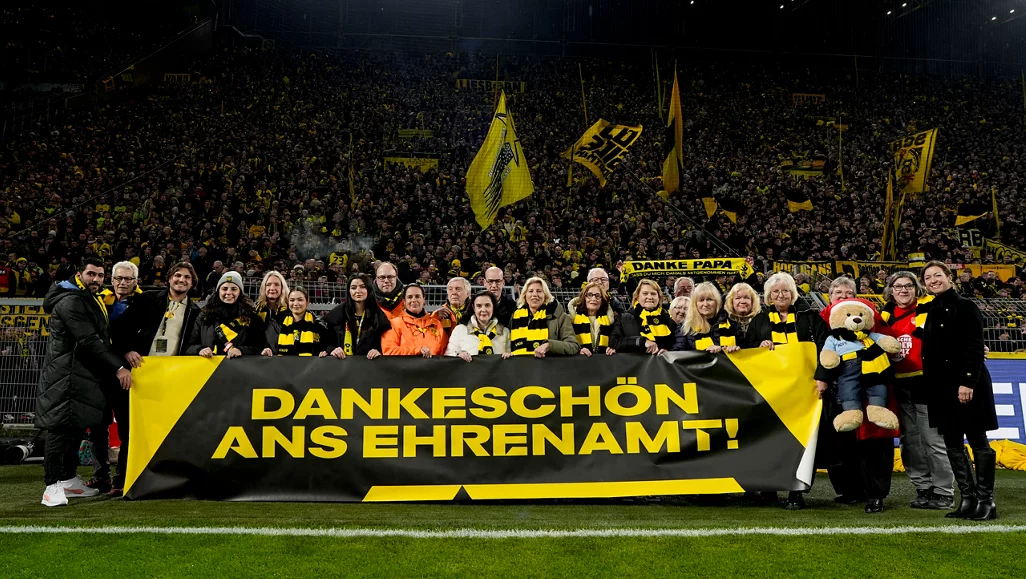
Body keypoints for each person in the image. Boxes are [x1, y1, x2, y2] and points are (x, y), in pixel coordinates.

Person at [89, 261, 200, 497]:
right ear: (169, 278)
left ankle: (149, 475)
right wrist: (127, 350)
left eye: (187, 277)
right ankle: (120, 478)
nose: (181, 280)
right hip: (137, 373)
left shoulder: (195, 310)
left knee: (159, 428)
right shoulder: (148, 299)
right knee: (129, 427)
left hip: (169, 377)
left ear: (192, 283)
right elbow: (119, 329)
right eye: (177, 275)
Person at [36, 257, 132, 507]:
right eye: (91, 274)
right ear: (79, 275)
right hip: (66, 375)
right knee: (60, 430)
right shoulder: (71, 301)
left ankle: (68, 480)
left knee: (76, 427)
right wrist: (119, 367)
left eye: (100, 275)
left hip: (80, 374)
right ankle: (51, 486)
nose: (96, 279)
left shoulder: (87, 297)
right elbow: (89, 339)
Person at [921, 261, 998, 521]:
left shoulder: (965, 306)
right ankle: (968, 499)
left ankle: (986, 501)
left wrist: (968, 382)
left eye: (938, 275)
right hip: (942, 388)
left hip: (966, 385)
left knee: (977, 440)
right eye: (928, 277)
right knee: (952, 443)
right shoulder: (933, 308)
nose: (933, 280)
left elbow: (975, 346)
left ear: (949, 277)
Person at [749, 272, 829, 510]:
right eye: (775, 292)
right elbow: (747, 349)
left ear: (793, 293)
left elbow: (825, 348)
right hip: (771, 390)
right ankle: (769, 489)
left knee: (803, 441)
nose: (781, 295)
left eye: (785, 291)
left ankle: (797, 491)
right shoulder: (759, 320)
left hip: (804, 389)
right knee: (771, 440)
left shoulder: (810, 317)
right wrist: (759, 346)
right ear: (769, 296)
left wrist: (822, 377)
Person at [879, 271, 954, 510]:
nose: (903, 290)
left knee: (933, 440)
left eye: (908, 286)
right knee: (909, 442)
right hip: (899, 385)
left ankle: (943, 491)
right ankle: (923, 487)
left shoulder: (931, 308)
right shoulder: (884, 316)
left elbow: (954, 331)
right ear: (891, 291)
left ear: (916, 288)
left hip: (927, 383)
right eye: (898, 286)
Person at [185, 271, 264, 358]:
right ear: (218, 291)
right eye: (224, 289)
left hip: (240, 366)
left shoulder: (252, 317)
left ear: (240, 292)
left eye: (234, 289)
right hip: (210, 366)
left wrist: (241, 350)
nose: (228, 292)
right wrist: (200, 350)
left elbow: (259, 347)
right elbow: (189, 346)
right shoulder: (204, 315)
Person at [505, 276, 580, 358]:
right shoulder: (515, 316)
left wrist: (549, 345)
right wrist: (508, 353)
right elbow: (509, 345)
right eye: (530, 291)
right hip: (520, 365)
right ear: (525, 295)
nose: (534, 294)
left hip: (549, 365)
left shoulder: (559, 316)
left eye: (539, 291)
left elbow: (573, 346)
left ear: (545, 295)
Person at [324, 274, 389, 360]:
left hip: (369, 364)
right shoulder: (336, 315)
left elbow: (386, 343)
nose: (358, 291)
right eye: (353, 288)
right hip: (343, 364)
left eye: (362, 287)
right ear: (349, 291)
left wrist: (378, 351)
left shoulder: (379, 316)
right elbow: (327, 342)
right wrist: (332, 349)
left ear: (369, 289)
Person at [261, 288, 340, 357]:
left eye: (300, 300)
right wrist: (267, 350)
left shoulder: (320, 326)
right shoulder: (277, 324)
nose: (296, 304)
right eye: (292, 300)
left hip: (311, 369)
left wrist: (329, 351)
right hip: (283, 368)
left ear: (307, 302)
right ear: (288, 302)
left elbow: (329, 347)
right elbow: (271, 347)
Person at [612, 279, 676, 355]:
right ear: (637, 297)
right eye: (645, 293)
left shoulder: (668, 318)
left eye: (653, 294)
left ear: (659, 297)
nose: (649, 297)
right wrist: (641, 341)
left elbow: (678, 343)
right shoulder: (624, 318)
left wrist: (669, 352)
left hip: (662, 362)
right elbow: (614, 343)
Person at [382, 284, 447, 357]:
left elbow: (445, 353)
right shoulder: (394, 324)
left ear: (424, 299)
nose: (414, 300)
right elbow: (389, 351)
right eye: (409, 297)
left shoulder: (436, 324)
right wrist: (416, 351)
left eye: (417, 296)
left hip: (433, 364)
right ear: (404, 301)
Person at [673, 282, 737, 352]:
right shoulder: (685, 327)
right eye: (701, 300)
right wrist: (706, 353)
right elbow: (678, 353)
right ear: (695, 304)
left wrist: (734, 349)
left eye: (709, 299)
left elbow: (744, 350)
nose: (705, 304)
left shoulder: (733, 325)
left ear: (717, 302)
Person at [446, 291, 510, 360]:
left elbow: (511, 358)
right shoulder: (460, 330)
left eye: (487, 305)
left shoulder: (505, 332)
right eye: (479, 306)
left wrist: (509, 357)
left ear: (493, 307)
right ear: (473, 308)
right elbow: (449, 355)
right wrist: (458, 355)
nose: (483, 310)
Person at [569, 281, 616, 356]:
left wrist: (613, 349)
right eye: (590, 295)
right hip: (579, 361)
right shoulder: (571, 320)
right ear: (584, 298)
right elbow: (568, 343)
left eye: (598, 296)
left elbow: (615, 343)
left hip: (604, 361)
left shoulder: (611, 322)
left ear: (602, 300)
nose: (594, 299)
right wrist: (577, 350)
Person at [724, 283, 761, 348]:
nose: (743, 301)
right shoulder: (724, 321)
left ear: (752, 301)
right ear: (731, 301)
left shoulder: (761, 320)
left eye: (746, 298)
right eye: (738, 298)